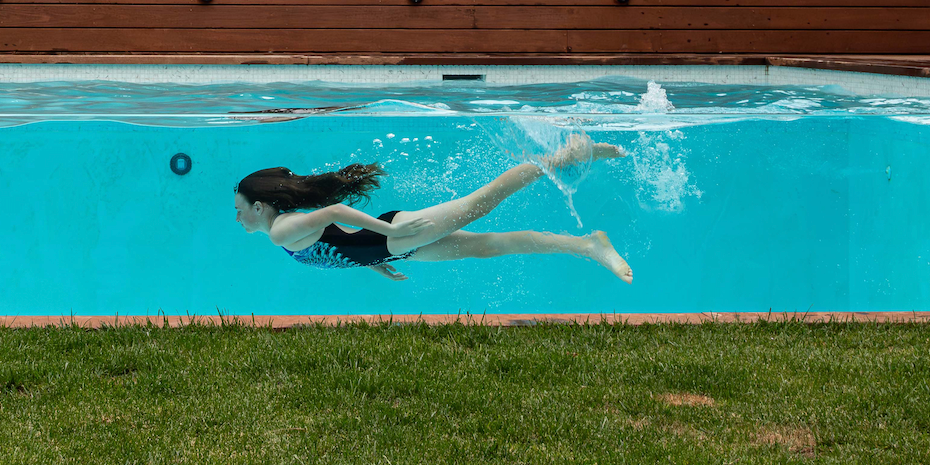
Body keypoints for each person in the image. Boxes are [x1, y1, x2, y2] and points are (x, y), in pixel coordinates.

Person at [233, 135, 632, 282]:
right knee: (489, 244)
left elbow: (335, 211)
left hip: (398, 234)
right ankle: (587, 245)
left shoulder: (280, 232)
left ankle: (566, 157)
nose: (237, 218)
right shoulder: (283, 229)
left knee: (481, 203)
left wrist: (387, 235)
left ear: (259, 207)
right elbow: (332, 236)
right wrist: (370, 261)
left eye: (239, 209)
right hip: (397, 244)